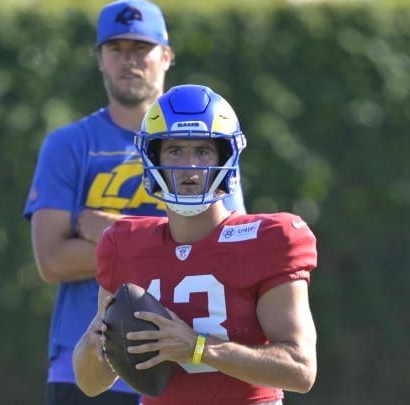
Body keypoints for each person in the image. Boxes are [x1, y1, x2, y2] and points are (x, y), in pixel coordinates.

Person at [24, 1, 246, 404]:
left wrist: (113, 233)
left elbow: (229, 253)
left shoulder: (207, 141)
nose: (129, 61)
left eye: (140, 48)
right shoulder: (69, 145)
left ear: (166, 56)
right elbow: (52, 260)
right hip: (91, 360)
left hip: (187, 357)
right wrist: (173, 240)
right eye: (116, 49)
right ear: (100, 59)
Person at [72, 84, 318, 405]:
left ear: (226, 156)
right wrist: (97, 344)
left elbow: (300, 370)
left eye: (203, 151)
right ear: (154, 158)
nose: (189, 166)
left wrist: (198, 347)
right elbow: (91, 383)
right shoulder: (124, 243)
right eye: (175, 151)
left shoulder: (268, 239)